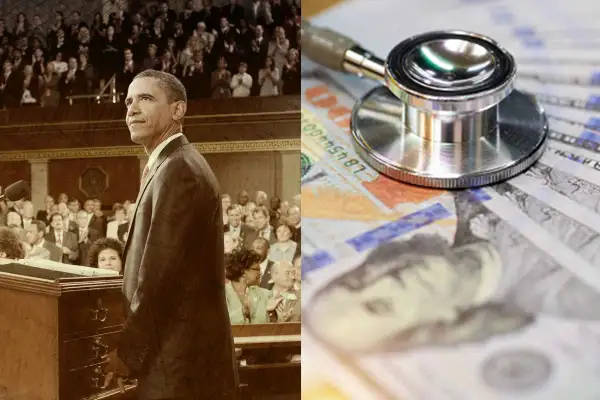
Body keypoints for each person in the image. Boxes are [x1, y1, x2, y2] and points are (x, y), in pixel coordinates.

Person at [104, 69, 239, 400]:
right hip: (175, 357)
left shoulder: (178, 170)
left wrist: (127, 353)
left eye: (146, 99)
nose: (131, 109)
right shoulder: (171, 165)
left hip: (179, 364)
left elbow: (157, 276)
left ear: (178, 110)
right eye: (128, 101)